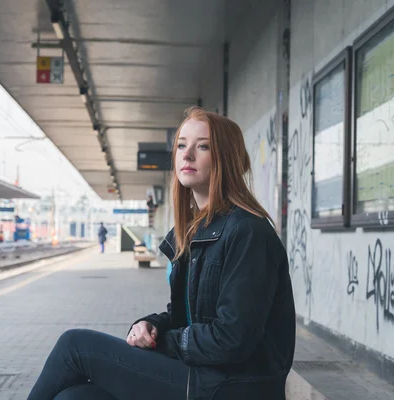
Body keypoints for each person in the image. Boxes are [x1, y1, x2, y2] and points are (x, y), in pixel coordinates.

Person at [26, 107, 296, 400]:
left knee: (74, 345)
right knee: (74, 398)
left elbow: (232, 338)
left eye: (202, 146)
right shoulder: (197, 231)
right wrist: (152, 325)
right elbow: (189, 317)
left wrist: (163, 342)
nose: (187, 154)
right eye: (182, 145)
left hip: (232, 386)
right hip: (204, 375)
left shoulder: (247, 232)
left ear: (225, 158)